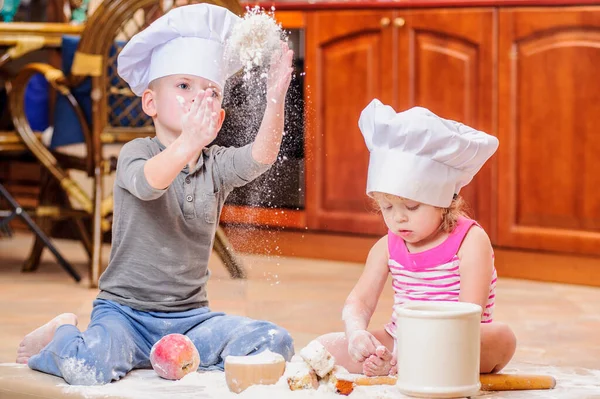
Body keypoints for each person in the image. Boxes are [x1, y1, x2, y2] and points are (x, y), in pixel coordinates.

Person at [15, 3, 295, 385]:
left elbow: (262, 157)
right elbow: (151, 182)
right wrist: (188, 143)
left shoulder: (216, 164)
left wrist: (275, 98)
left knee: (273, 342)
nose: (198, 98)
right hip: (124, 313)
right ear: (150, 103)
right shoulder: (138, 152)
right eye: (183, 86)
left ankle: (161, 356)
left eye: (210, 92)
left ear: (220, 117)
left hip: (192, 318)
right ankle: (63, 332)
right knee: (90, 367)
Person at [317, 100, 517, 377]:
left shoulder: (471, 241)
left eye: (411, 207)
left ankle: (412, 365)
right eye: (387, 208)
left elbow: (469, 313)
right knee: (324, 347)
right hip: (401, 341)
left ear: (444, 200)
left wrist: (422, 348)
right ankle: (408, 366)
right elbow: (359, 302)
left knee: (503, 338)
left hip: (456, 340)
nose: (398, 218)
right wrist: (356, 334)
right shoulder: (386, 246)